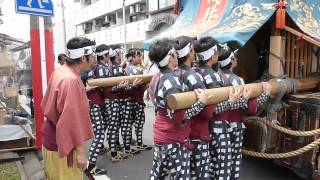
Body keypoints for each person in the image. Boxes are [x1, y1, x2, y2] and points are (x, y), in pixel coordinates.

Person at [148, 38, 208, 179]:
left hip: (160, 134)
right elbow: (178, 118)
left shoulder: (156, 77)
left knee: (157, 175)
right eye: (174, 53)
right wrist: (201, 103)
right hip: (173, 137)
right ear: (170, 57)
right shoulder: (172, 81)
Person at [41, 37, 95, 180]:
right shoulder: (70, 80)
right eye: (92, 56)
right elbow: (71, 122)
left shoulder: (61, 71)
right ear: (83, 58)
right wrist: (82, 153)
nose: (94, 59)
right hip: (63, 148)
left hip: (50, 140)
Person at [217, 44, 271, 180]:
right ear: (232, 60)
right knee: (232, 162)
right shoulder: (237, 80)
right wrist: (265, 94)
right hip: (233, 126)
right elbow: (249, 107)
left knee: (217, 163)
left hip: (215, 127)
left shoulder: (215, 77)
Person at [80, 44, 111, 175]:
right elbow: (79, 89)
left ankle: (94, 156)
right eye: (92, 56)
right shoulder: (84, 72)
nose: (94, 59)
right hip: (93, 105)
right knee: (99, 134)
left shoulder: (93, 70)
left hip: (97, 104)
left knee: (100, 131)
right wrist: (87, 89)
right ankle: (91, 165)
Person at [125, 48, 152, 151]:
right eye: (139, 56)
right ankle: (139, 143)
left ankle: (128, 141)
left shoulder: (126, 69)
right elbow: (142, 86)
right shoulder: (137, 70)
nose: (141, 58)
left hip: (127, 100)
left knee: (129, 123)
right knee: (139, 123)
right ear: (133, 57)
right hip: (137, 100)